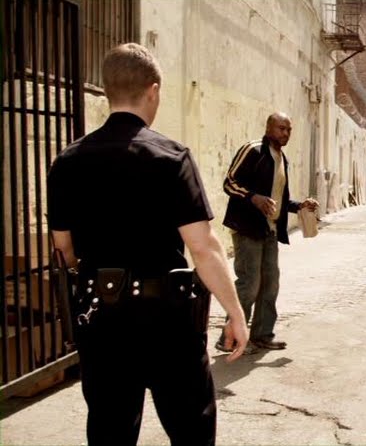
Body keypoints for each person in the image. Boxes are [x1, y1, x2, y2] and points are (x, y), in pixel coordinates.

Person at [47, 43, 249, 445]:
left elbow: (64, 250)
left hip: (102, 319)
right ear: (153, 91)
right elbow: (203, 248)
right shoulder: (171, 157)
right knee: (191, 429)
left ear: (108, 91)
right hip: (167, 320)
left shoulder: (67, 162)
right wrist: (235, 313)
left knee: (110, 429)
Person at [218, 112, 318, 352]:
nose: (285, 133)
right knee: (249, 285)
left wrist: (300, 206)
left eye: (289, 130)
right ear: (268, 128)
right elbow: (229, 183)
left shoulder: (282, 159)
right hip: (247, 229)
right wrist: (253, 198)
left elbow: (279, 199)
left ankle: (262, 335)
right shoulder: (253, 150)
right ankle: (228, 339)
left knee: (270, 285)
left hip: (269, 231)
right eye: (281, 128)